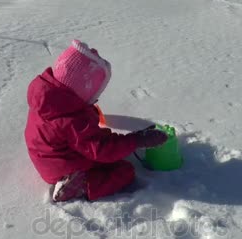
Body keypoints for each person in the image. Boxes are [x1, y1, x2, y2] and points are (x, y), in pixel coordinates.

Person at [25, 40, 168, 202]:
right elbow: (102, 149)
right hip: (64, 166)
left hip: (46, 158)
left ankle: (73, 180)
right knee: (124, 170)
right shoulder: (72, 120)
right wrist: (136, 140)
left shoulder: (49, 99)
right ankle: (80, 187)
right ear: (81, 89)